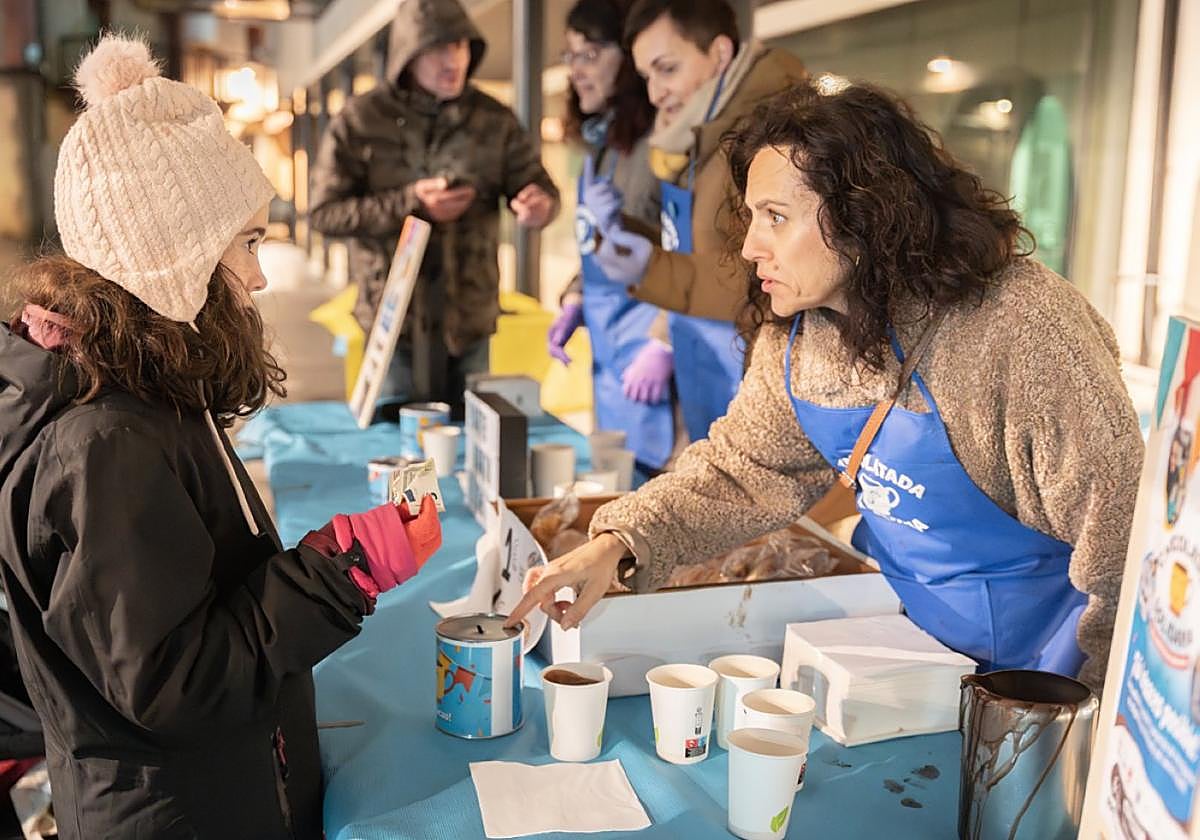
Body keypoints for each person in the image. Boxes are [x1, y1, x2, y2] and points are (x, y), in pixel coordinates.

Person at [509, 79, 1145, 691]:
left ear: (866, 214)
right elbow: (743, 472)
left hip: (1045, 675)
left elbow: (1122, 543)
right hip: (906, 648)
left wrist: (1096, 709)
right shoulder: (801, 329)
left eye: (776, 216)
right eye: (751, 216)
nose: (751, 246)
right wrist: (620, 541)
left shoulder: (1023, 329)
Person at [0, 36, 442, 838]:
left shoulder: (147, 384)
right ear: (175, 258)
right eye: (247, 244)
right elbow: (180, 682)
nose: (261, 276)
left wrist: (329, 561)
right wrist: (341, 573)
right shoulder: (105, 445)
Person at [310, 0, 560, 416]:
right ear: (408, 52)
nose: (454, 60)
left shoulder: (494, 119)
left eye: (461, 45)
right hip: (393, 323)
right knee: (394, 442)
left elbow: (539, 188)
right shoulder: (360, 119)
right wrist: (412, 203)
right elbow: (324, 214)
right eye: (439, 47)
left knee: (475, 440)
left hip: (470, 322)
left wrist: (540, 206)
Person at [579, 0, 806, 444]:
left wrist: (648, 269)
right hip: (705, 373)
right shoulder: (699, 136)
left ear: (719, 53)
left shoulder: (772, 139)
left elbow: (766, 278)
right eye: (646, 76)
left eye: (667, 69)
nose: (655, 93)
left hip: (761, 389)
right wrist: (623, 230)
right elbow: (700, 246)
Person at [546, 0, 675, 471]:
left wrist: (664, 343)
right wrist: (575, 297)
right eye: (570, 56)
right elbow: (597, 243)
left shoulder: (663, 149)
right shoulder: (600, 147)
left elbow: (698, 255)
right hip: (611, 365)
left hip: (656, 367)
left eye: (590, 54)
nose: (576, 70)